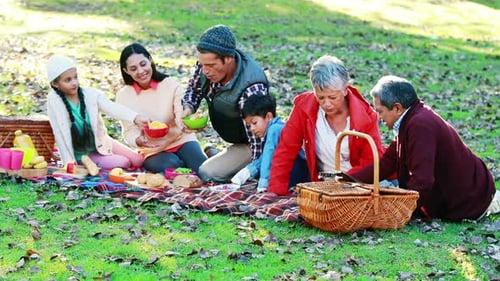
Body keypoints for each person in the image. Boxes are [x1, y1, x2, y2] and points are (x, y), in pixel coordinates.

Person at [350, 75, 499, 221]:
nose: (378, 117)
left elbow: (423, 180)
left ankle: (493, 203)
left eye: (380, 111)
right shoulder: (410, 120)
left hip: (471, 200)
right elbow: (387, 163)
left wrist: (401, 213)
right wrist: (349, 180)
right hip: (465, 190)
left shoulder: (419, 125)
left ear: (397, 108)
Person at [268, 55, 386, 195]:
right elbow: (286, 149)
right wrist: (276, 191)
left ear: (345, 89)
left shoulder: (365, 116)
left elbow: (370, 163)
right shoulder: (304, 108)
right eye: (320, 97)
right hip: (322, 186)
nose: (326, 104)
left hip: (359, 186)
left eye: (332, 97)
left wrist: (343, 183)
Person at [181, 24, 269, 183]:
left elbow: (260, 141)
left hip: (255, 144)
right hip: (237, 139)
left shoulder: (251, 89)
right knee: (215, 167)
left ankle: (227, 162)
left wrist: (254, 174)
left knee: (207, 172)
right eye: (202, 64)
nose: (205, 71)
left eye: (210, 66)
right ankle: (225, 159)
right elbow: (194, 89)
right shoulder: (206, 64)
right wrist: (188, 107)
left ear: (228, 59)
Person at [115, 43, 207, 174]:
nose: (140, 71)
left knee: (203, 170)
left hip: (180, 140)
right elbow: (129, 131)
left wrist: (185, 124)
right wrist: (138, 140)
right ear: (126, 71)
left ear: (150, 60)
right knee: (173, 166)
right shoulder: (123, 96)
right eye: (133, 68)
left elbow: (180, 112)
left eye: (143, 64)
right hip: (152, 150)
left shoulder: (171, 84)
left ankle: (209, 153)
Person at [46, 54, 147, 169]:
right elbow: (59, 133)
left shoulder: (91, 95)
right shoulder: (55, 102)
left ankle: (107, 157)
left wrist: (135, 117)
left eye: (75, 77)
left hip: (101, 143)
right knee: (123, 163)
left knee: (138, 160)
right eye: (68, 80)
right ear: (55, 84)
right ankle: (96, 162)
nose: (74, 83)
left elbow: (112, 108)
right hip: (84, 155)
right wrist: (69, 163)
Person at [231, 94, 310, 192]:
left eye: (254, 123)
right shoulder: (275, 129)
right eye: (249, 125)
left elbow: (268, 157)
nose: (252, 129)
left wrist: (263, 184)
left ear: (268, 116)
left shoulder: (274, 129)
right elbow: (264, 157)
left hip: (297, 172)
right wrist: (247, 171)